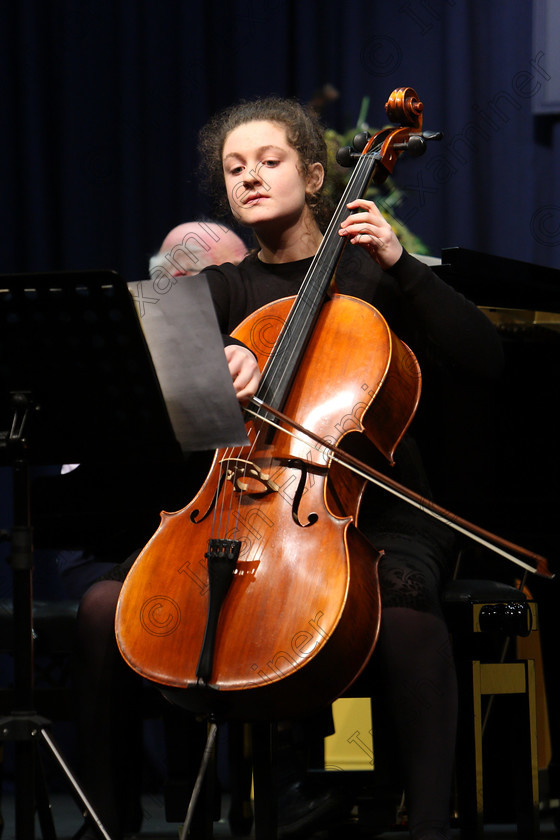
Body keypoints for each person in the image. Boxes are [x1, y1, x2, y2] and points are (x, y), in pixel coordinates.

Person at [79, 97, 504, 840]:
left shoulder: (375, 274)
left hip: (372, 506)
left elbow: (485, 359)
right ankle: (108, 822)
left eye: (269, 162)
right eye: (234, 169)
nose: (249, 178)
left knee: (402, 618)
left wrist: (403, 265)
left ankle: (429, 825)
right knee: (100, 608)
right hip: (243, 502)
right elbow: (152, 370)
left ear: (314, 177)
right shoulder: (223, 290)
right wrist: (208, 365)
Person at [72, 221, 247, 840]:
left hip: (248, 536)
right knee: (101, 607)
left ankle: (304, 789)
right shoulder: (121, 354)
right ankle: (108, 811)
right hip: (148, 541)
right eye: (209, 286)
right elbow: (87, 477)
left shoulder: (263, 334)